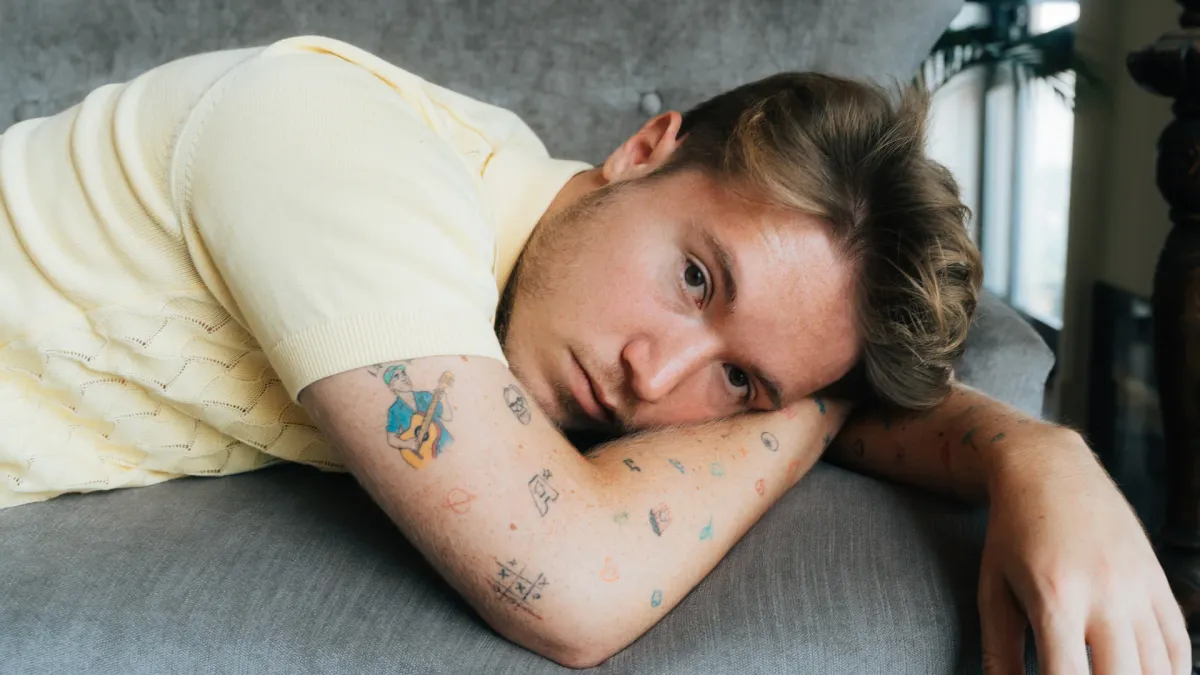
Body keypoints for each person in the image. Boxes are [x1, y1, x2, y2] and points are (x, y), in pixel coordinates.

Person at [0, 35, 1186, 673]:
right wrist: (810, 410)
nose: (652, 380)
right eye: (696, 278)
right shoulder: (342, 151)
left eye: (739, 381)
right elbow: (571, 585)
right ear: (644, 149)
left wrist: (1041, 457)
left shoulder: (525, 252)